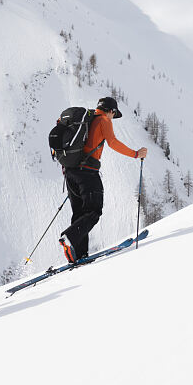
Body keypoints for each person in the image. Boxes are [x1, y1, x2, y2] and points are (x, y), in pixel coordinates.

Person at [59, 97, 147, 263]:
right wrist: (136, 154)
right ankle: (70, 238)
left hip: (70, 172)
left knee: (79, 213)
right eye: (114, 114)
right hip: (88, 172)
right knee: (94, 211)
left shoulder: (88, 119)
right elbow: (113, 142)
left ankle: (79, 255)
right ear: (111, 111)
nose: (113, 117)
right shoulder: (104, 120)